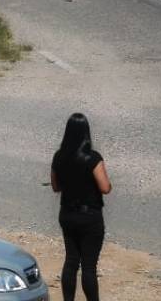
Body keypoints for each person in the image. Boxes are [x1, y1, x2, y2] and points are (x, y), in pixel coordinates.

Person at [50, 113, 113, 301]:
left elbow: (55, 187)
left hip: (67, 214)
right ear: (86, 133)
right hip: (90, 217)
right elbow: (105, 187)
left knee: (71, 261)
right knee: (88, 267)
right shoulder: (93, 158)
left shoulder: (59, 156)